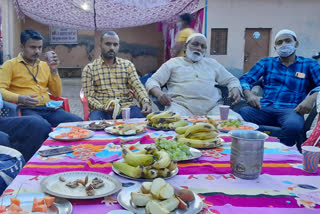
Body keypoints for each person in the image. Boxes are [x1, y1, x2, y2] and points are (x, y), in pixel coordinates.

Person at [239, 29, 320, 147]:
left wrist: (311, 98)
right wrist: (249, 94)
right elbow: (245, 79)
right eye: (279, 42)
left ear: (296, 43)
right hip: (264, 107)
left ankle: (281, 153)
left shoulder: (308, 64)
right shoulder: (267, 62)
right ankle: (246, 147)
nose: (283, 45)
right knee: (238, 115)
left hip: (291, 110)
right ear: (275, 47)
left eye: (287, 41)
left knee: (293, 126)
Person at [146, 33, 242, 116]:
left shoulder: (212, 64)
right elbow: (152, 81)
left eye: (202, 46)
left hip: (212, 109)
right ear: (185, 46)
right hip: (181, 108)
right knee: (171, 124)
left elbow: (232, 80)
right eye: (195, 44)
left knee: (235, 122)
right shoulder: (173, 63)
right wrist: (160, 94)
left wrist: (235, 88)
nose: (199, 48)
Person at [0, 29, 82, 127]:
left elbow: (56, 94)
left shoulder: (45, 65)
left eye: (39, 47)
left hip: (48, 108)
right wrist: (20, 98)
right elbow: (1, 90)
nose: (37, 51)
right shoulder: (9, 65)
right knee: (42, 126)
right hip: (26, 109)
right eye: (33, 47)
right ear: (22, 47)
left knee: (78, 122)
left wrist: (54, 70)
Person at [82, 31, 152, 120]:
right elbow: (89, 97)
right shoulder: (89, 69)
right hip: (101, 109)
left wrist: (145, 101)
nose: (112, 48)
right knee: (96, 126)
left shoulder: (127, 65)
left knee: (143, 121)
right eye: (108, 44)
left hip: (126, 107)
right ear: (100, 46)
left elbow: (137, 86)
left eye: (115, 45)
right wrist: (103, 107)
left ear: (118, 46)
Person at [0, 92, 51, 161]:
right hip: (27, 106)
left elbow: (56, 93)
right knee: (3, 139)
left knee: (38, 124)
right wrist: (20, 98)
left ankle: (29, 163)